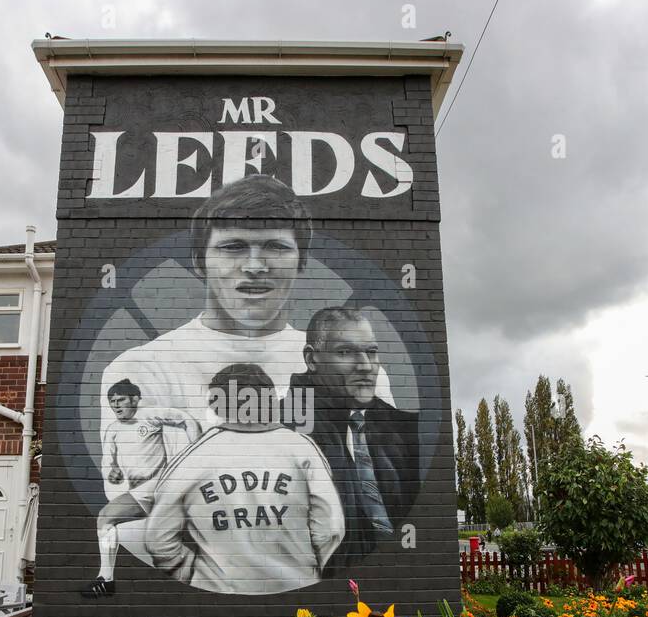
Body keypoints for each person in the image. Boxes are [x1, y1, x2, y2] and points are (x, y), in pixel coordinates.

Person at [97, 174, 392, 461]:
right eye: (233, 247)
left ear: (302, 261)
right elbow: (139, 502)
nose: (255, 266)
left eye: (276, 247)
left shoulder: (354, 366)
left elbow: (381, 483)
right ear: (199, 262)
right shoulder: (139, 369)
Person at [144, 364, 345, 595]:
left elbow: (158, 540)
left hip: (218, 594)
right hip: (296, 587)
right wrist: (306, 565)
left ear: (217, 404)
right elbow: (331, 528)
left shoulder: (192, 458)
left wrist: (194, 574)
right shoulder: (301, 448)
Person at [290, 306, 419, 570]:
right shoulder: (286, 429)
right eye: (345, 352)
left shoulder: (403, 429)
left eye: (371, 352)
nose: (365, 366)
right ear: (312, 359)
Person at [81, 379, 199, 598]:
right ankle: (189, 563)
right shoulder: (112, 430)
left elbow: (185, 419)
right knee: (168, 537)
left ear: (134, 399)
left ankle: (106, 580)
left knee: (105, 517)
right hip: (141, 491)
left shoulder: (150, 416)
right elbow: (109, 463)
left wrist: (196, 448)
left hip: (158, 485)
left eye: (121, 400)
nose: (116, 406)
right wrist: (113, 472)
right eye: (112, 402)